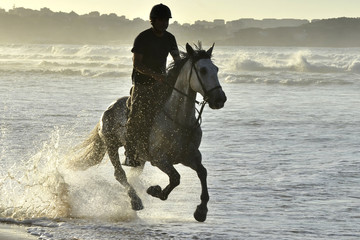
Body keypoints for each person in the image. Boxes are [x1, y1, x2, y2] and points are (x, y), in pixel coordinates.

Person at [124, 3, 181, 167]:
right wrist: (155, 75)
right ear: (153, 20)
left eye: (167, 20)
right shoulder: (143, 38)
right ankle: (130, 153)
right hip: (142, 84)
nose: (165, 23)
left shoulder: (170, 38)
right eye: (162, 20)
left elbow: (177, 60)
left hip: (161, 84)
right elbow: (137, 65)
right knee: (136, 117)